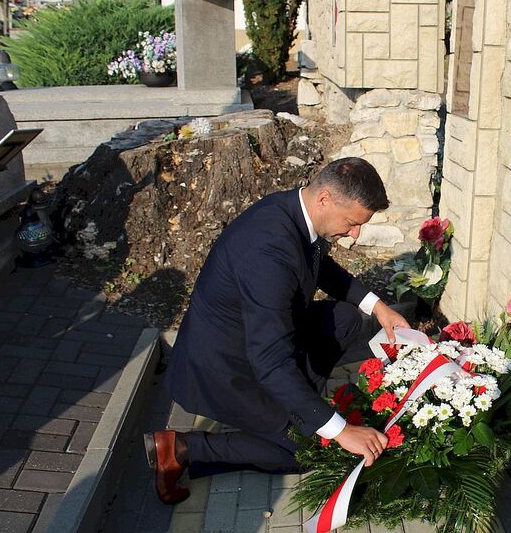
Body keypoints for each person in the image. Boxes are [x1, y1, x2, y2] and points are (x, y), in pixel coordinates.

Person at [145, 157, 410, 504]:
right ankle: (181, 448)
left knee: (345, 319)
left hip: (258, 338)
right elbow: (270, 360)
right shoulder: (268, 252)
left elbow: (321, 267)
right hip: (224, 368)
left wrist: (378, 307)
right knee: (302, 450)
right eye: (352, 223)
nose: (355, 235)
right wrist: (341, 430)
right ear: (325, 199)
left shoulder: (294, 210)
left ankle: (295, 408)